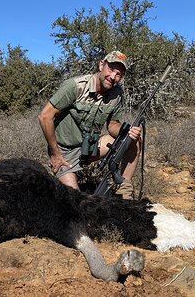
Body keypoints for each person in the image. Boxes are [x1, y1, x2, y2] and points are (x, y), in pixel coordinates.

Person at [38, 51, 141, 198]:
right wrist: (55, 154)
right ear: (101, 65)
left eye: (119, 74)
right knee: (75, 201)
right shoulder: (75, 86)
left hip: (90, 148)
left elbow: (112, 125)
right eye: (111, 69)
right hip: (64, 153)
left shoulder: (117, 93)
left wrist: (128, 132)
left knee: (132, 140)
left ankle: (124, 192)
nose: (113, 77)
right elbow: (44, 117)